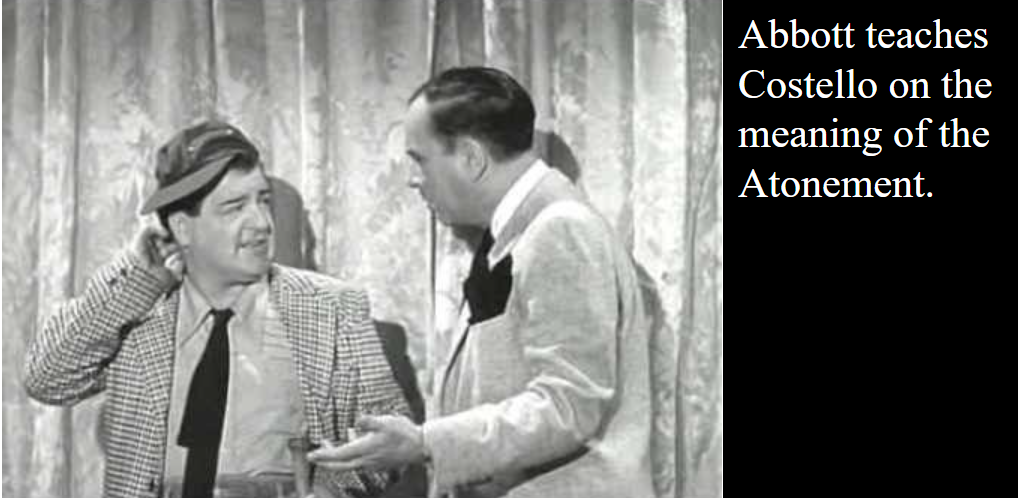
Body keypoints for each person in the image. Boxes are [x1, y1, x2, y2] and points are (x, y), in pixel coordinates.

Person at [309, 67, 655, 498]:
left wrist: (425, 442)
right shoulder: (511, 233)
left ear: (472, 158)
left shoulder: (561, 229)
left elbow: (569, 405)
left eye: (420, 159)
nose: (413, 178)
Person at [24, 120, 410, 498]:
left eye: (263, 201)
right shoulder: (136, 313)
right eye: (234, 207)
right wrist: (137, 278)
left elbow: (390, 439)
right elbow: (47, 379)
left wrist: (327, 492)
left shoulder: (333, 308)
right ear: (182, 228)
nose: (261, 223)